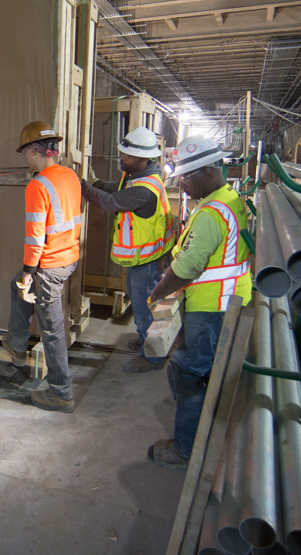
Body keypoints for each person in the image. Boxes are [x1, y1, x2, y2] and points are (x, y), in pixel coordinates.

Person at [146, 135, 252, 470]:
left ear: (208, 171)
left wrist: (158, 293)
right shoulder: (231, 198)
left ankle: (186, 449)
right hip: (231, 300)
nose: (182, 183)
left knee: (187, 372)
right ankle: (204, 433)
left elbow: (189, 267)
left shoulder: (211, 212)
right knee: (208, 372)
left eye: (187, 176)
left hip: (212, 305)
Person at [1, 121, 83, 413]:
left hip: (49, 265)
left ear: (36, 151)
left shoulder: (37, 185)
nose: (25, 159)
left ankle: (62, 393)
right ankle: (18, 348)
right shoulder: (70, 176)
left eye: (25, 153)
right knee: (17, 287)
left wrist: (28, 271)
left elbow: (35, 238)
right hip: (68, 257)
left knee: (51, 330)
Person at [82, 127, 176, 373]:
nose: (122, 158)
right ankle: (144, 340)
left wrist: (80, 186)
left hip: (148, 260)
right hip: (144, 258)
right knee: (140, 303)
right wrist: (93, 182)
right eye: (122, 152)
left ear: (144, 159)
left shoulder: (145, 188)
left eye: (128, 155)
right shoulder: (136, 176)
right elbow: (114, 189)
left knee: (145, 307)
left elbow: (110, 202)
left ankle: (152, 356)